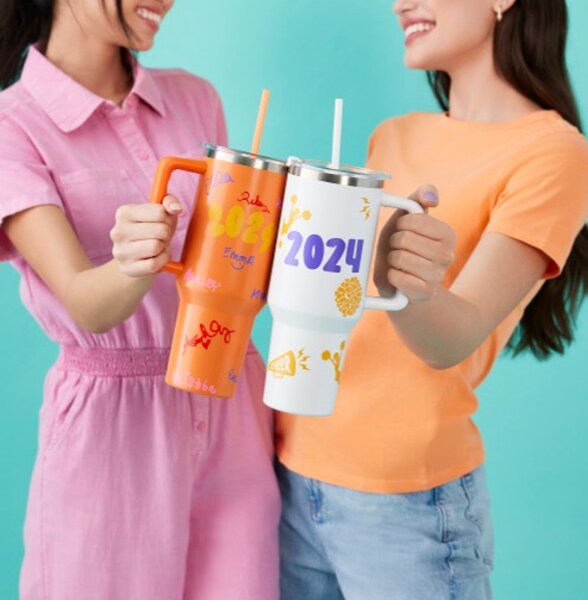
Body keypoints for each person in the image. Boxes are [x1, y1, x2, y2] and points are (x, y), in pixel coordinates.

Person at [276, 1, 588, 598]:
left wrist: (397, 273)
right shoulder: (392, 135)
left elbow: (452, 337)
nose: (402, 3)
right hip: (292, 470)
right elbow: (335, 304)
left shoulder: (553, 152)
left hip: (406, 505)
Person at [0, 1, 279, 598]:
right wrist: (131, 263)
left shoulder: (196, 99)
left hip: (231, 401)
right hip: (113, 429)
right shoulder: (12, 125)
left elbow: (230, 265)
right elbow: (84, 301)